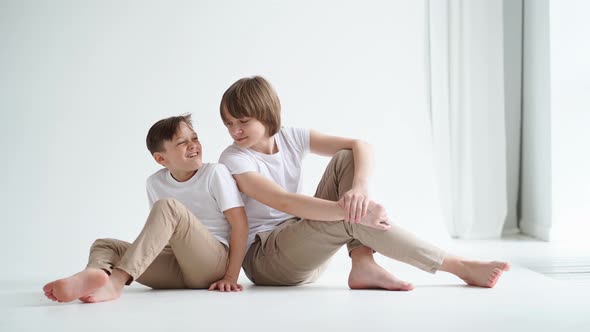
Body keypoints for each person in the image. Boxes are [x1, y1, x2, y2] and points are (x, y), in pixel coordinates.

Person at [218, 76, 510, 290]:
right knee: (352, 215)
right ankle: (458, 266)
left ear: (266, 114)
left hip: (303, 246)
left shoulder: (290, 137)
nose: (235, 130)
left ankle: (362, 263)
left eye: (242, 121)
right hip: (268, 261)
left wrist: (359, 190)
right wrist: (351, 212)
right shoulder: (234, 159)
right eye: (229, 123)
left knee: (347, 158)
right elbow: (284, 201)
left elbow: (362, 145)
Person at [43, 114, 248, 303]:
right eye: (182, 142)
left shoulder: (215, 173)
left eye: (194, 138)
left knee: (168, 206)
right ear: (161, 159)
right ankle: (95, 274)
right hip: (175, 268)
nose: (193, 146)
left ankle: (116, 282)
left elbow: (240, 224)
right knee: (105, 245)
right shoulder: (155, 182)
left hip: (211, 265)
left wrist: (231, 276)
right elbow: (160, 235)